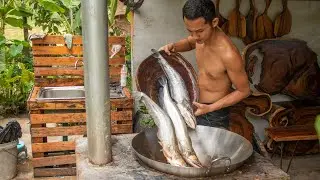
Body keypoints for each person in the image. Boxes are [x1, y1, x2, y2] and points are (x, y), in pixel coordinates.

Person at [159, 0, 251, 129]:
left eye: (199, 31)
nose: (195, 36)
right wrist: (173, 46)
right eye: (190, 31)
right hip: (194, 105)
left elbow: (244, 91)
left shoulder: (228, 54)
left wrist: (210, 108)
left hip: (214, 113)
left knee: (212, 150)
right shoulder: (200, 38)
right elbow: (190, 42)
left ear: (214, 22)